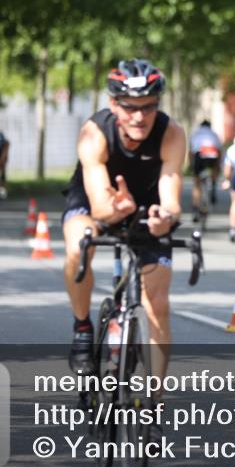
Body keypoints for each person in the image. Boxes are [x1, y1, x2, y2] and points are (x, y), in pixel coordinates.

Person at [60, 59, 186, 396]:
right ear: (113, 104)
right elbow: (101, 206)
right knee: (78, 246)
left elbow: (172, 198)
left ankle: (154, 405)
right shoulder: (94, 132)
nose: (139, 117)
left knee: (157, 304)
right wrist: (118, 210)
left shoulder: (171, 133)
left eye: (148, 107)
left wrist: (165, 219)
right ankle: (83, 327)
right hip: (94, 202)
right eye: (130, 108)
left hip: (146, 205)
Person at [189, 119, 222, 221]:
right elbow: (219, 151)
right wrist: (218, 166)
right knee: (215, 168)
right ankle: (213, 185)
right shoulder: (214, 134)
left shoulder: (195, 133)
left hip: (199, 153)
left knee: (197, 183)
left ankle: (195, 208)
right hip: (212, 152)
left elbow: (191, 151)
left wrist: (191, 165)